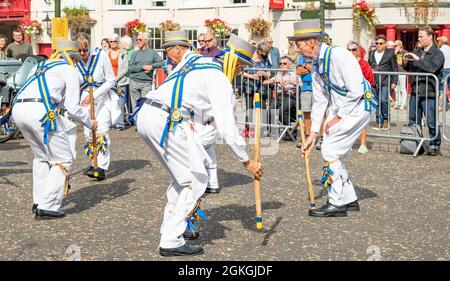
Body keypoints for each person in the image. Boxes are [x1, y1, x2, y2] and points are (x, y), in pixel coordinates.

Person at [135, 30, 263, 256]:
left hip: (149, 114)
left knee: (183, 178)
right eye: (240, 66)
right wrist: (246, 161)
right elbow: (226, 126)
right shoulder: (218, 76)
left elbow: (197, 101)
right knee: (195, 180)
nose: (240, 72)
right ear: (233, 63)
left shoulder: (195, 62)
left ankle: (173, 230)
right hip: (166, 119)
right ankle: (171, 239)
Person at [292, 19, 377, 217]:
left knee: (330, 150)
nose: (296, 48)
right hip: (343, 108)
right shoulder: (315, 65)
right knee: (334, 151)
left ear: (311, 42)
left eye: (299, 43)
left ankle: (337, 203)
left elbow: (356, 89)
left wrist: (337, 117)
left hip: (359, 107)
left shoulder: (339, 54)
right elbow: (320, 100)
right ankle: (349, 199)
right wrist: (313, 133)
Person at [11, 39, 97, 219]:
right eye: (75, 59)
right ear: (71, 57)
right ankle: (48, 205)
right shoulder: (69, 70)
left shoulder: (39, 66)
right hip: (41, 112)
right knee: (63, 159)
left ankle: (39, 200)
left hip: (18, 109)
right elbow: (73, 108)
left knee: (41, 157)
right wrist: (90, 122)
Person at [75, 32, 121, 180]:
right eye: (79, 50)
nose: (82, 54)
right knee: (89, 133)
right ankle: (94, 161)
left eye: (85, 50)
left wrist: (95, 95)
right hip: (84, 102)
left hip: (102, 99)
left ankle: (101, 167)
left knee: (101, 131)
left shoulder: (101, 56)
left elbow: (110, 81)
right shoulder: (74, 60)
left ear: (90, 46)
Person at [404, 26, 444, 156]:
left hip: (429, 91)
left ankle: (435, 145)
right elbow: (409, 67)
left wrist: (417, 59)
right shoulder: (418, 51)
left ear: (430, 37)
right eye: (419, 36)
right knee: (414, 120)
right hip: (416, 90)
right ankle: (416, 143)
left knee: (431, 121)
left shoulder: (438, 53)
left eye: (421, 36)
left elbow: (432, 68)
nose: (419, 39)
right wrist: (406, 61)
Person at [347, 41, 374, 154]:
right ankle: (347, 143)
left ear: (358, 51)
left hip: (362, 96)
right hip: (347, 95)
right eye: (349, 50)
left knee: (362, 121)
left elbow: (370, 79)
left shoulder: (363, 63)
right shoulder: (344, 63)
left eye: (354, 50)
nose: (351, 52)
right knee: (347, 121)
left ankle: (363, 144)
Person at [128, 32, 164, 116]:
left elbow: (161, 63)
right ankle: (137, 123)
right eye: (136, 40)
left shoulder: (152, 53)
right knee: (135, 105)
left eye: (139, 40)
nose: (137, 41)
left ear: (146, 41)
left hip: (146, 82)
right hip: (134, 82)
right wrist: (143, 67)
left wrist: (152, 66)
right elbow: (130, 68)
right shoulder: (134, 54)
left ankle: (142, 123)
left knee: (144, 105)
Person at [368, 34, 398, 130]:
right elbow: (369, 66)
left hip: (385, 81)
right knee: (376, 102)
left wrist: (394, 82)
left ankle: (386, 120)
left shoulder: (390, 53)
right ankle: (379, 122)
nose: (378, 45)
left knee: (384, 101)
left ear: (385, 44)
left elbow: (395, 68)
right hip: (374, 81)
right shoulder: (371, 53)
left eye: (380, 43)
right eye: (377, 43)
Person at [263, 56, 297, 129]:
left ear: (289, 65)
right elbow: (265, 82)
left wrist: (289, 81)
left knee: (282, 111)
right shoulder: (279, 74)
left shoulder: (293, 74)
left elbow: (300, 83)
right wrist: (276, 81)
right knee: (270, 110)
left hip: (290, 96)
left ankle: (288, 131)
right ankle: (271, 130)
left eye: (284, 63)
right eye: (280, 63)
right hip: (280, 95)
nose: (281, 65)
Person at [108, 34, 129, 131]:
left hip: (120, 82)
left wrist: (115, 79)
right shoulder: (105, 53)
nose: (113, 43)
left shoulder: (123, 53)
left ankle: (120, 124)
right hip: (108, 82)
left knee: (120, 103)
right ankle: (112, 123)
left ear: (118, 42)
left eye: (115, 41)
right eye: (111, 41)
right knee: (110, 103)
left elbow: (125, 69)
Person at [393, 40, 408, 110]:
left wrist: (403, 61)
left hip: (402, 72)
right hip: (395, 72)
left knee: (402, 88)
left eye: (396, 45)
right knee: (396, 88)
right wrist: (395, 53)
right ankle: (397, 103)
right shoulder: (394, 53)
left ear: (400, 45)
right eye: (394, 46)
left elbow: (406, 64)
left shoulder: (405, 52)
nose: (395, 47)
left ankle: (403, 104)